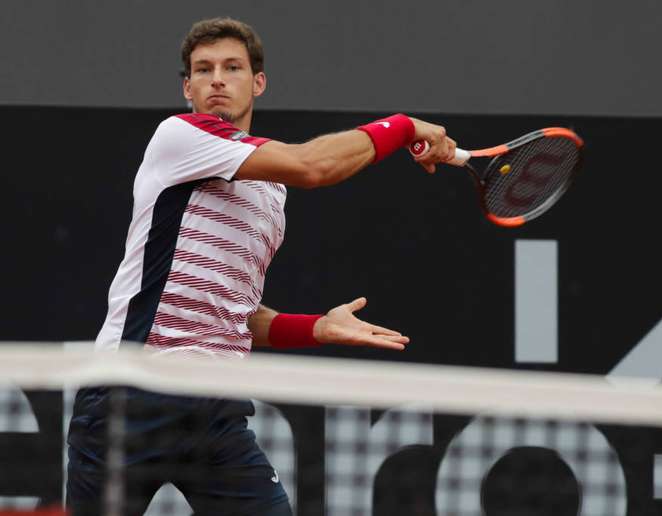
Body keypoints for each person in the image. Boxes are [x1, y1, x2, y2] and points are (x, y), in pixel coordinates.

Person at [66, 16, 456, 516]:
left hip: (215, 411)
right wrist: (401, 126)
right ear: (187, 88)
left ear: (258, 82)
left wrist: (316, 328)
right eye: (203, 70)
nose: (217, 80)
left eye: (232, 67)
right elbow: (314, 165)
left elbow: (235, 314)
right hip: (131, 397)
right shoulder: (179, 136)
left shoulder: (271, 194)